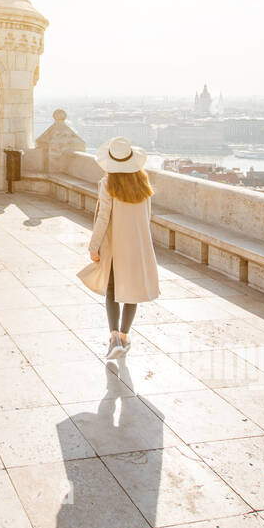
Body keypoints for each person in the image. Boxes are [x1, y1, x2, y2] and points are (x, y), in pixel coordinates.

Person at [88, 137, 160, 361]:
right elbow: (146, 217)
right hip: (138, 245)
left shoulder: (108, 183)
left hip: (116, 245)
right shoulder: (143, 182)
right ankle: (124, 336)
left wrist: (94, 245)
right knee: (132, 292)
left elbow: (103, 217)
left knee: (112, 290)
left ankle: (113, 338)